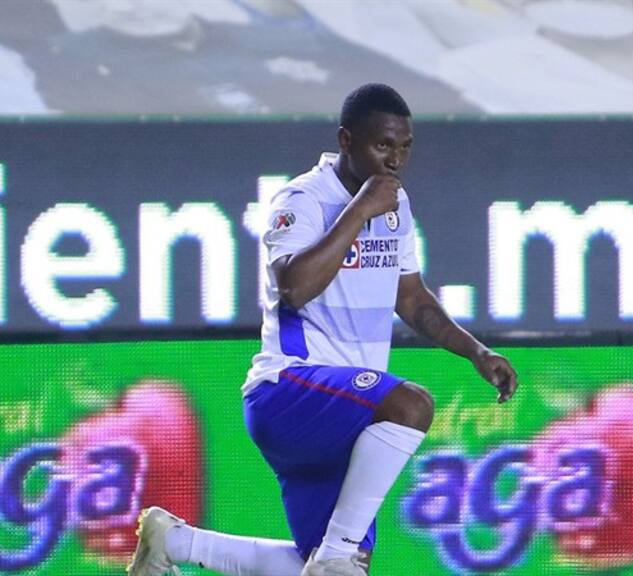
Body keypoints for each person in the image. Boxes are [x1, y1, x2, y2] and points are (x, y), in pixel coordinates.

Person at [127, 83, 518, 576]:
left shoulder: (397, 207)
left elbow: (412, 299)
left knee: (336, 567)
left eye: (404, 147)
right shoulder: (303, 198)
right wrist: (360, 209)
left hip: (346, 416)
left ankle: (177, 544)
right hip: (289, 390)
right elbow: (293, 286)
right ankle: (334, 554)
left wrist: (477, 353)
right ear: (346, 141)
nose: (395, 160)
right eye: (383, 146)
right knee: (411, 405)